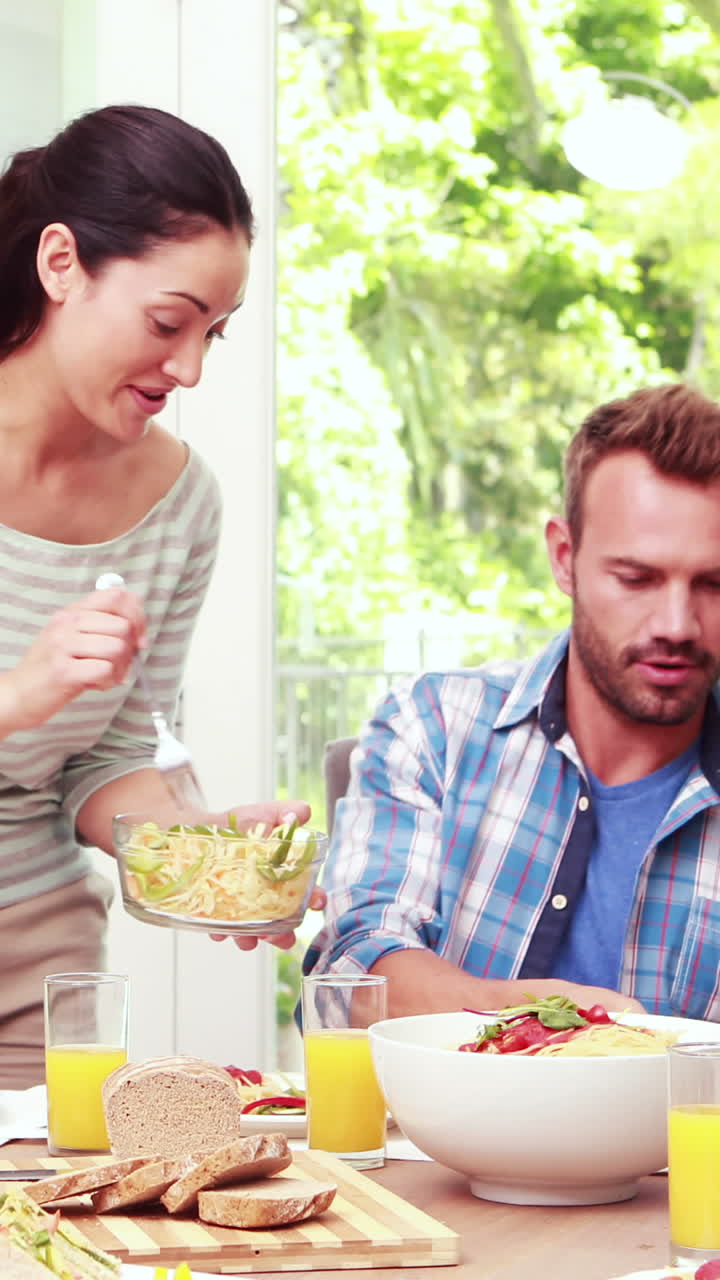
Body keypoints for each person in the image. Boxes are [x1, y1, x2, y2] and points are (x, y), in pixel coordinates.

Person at [0, 103, 313, 1088]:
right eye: (169, 323)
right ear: (62, 263)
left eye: (213, 334)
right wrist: (22, 693)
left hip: (38, 964)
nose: (188, 368)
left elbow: (114, 754)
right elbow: (39, 710)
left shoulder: (180, 503)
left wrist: (205, 856)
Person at [304, 381, 720, 1023]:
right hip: (443, 1130)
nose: (677, 624)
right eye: (635, 579)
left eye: (713, 584)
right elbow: (351, 971)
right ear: (564, 558)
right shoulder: (436, 729)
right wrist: (523, 1017)